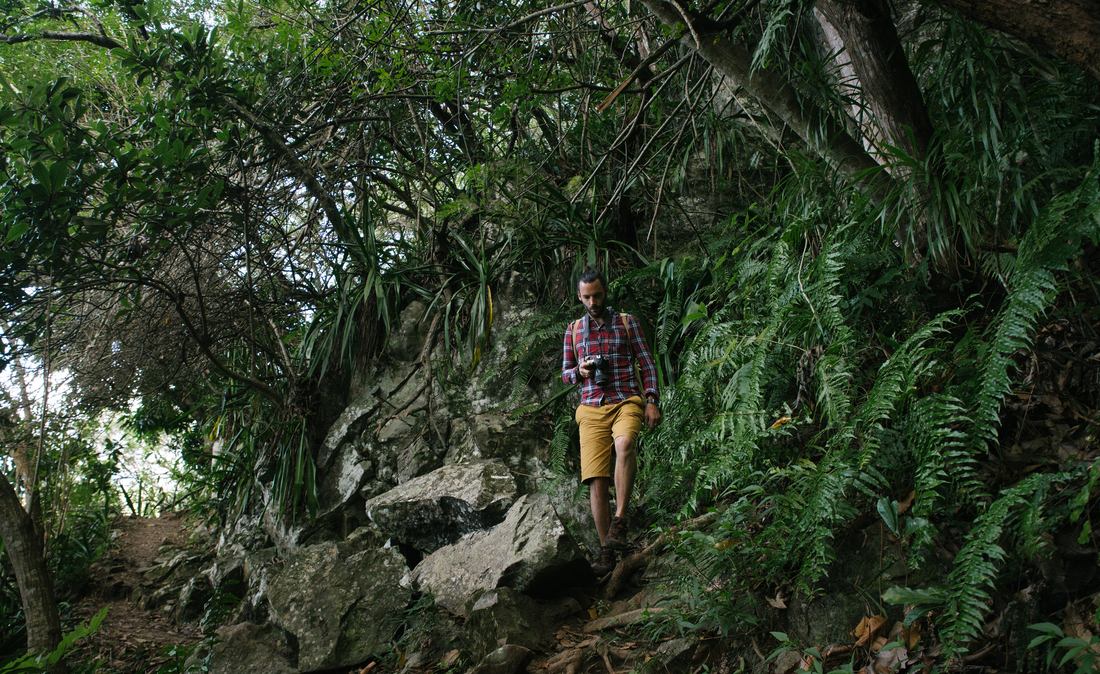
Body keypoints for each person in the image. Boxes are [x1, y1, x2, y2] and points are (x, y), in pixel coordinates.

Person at [561, 269, 661, 575]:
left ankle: (620, 521)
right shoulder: (574, 331)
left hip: (625, 400)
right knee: (596, 480)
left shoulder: (627, 323)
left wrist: (652, 399)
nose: (593, 301)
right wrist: (581, 372)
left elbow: (645, 361)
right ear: (579, 297)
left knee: (625, 443)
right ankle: (607, 550)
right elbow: (565, 375)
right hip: (590, 408)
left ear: (606, 292)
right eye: (587, 296)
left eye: (597, 295)